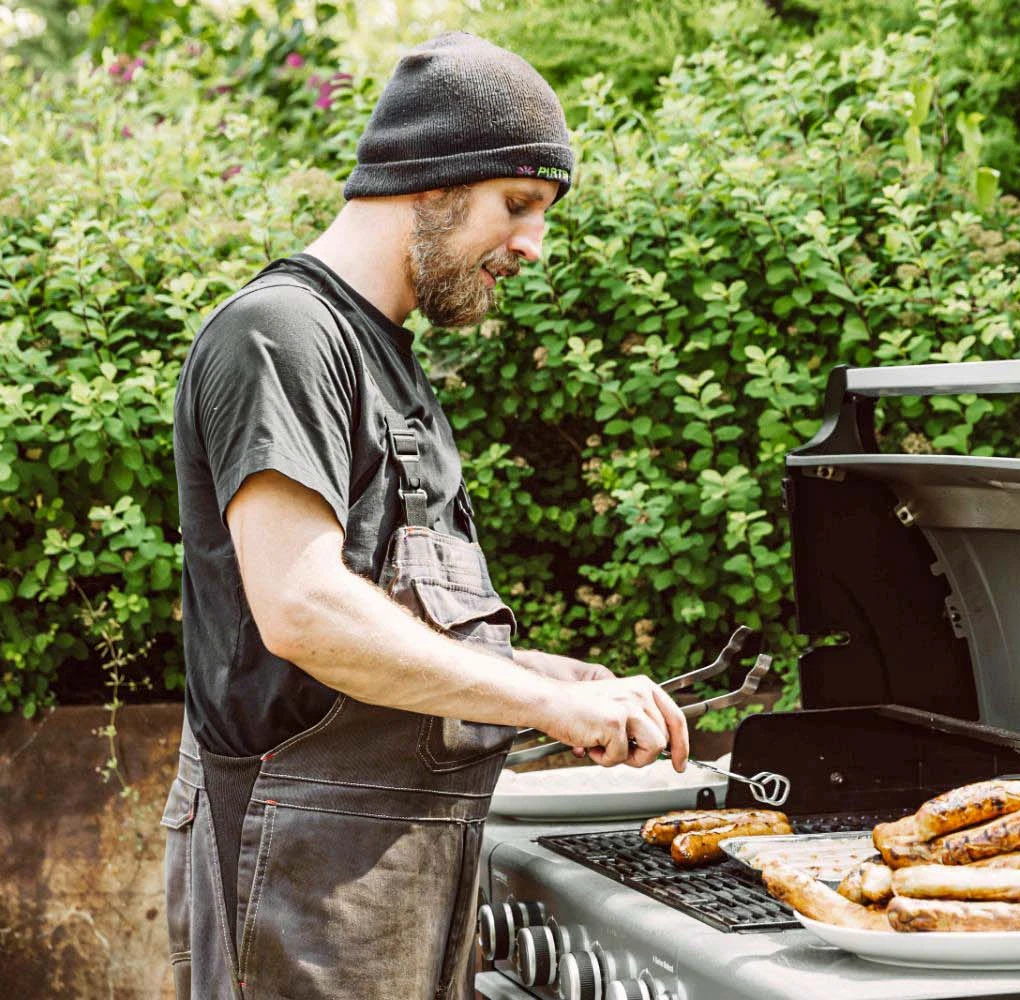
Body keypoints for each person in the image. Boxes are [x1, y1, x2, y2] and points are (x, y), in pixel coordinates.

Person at [159, 32, 691, 1000]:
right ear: (428, 177)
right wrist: (545, 706)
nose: (534, 245)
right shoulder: (281, 333)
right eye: (518, 205)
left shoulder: (385, 358)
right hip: (300, 881)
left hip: (384, 881)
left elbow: (387, 630)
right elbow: (304, 608)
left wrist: (550, 676)